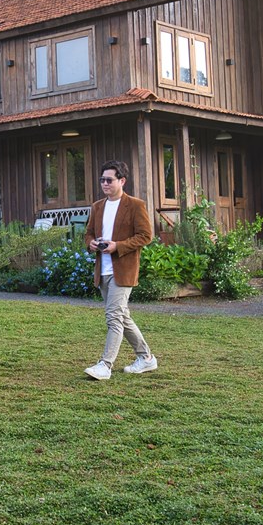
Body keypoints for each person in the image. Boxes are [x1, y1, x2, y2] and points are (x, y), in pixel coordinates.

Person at [82, 160, 158, 380]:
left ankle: (105, 365)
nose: (105, 184)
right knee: (122, 316)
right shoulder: (97, 206)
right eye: (102, 180)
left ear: (122, 181)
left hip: (123, 269)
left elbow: (145, 236)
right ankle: (146, 358)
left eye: (109, 180)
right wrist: (91, 243)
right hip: (103, 270)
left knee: (113, 316)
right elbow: (88, 233)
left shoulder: (135, 205)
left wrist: (118, 246)